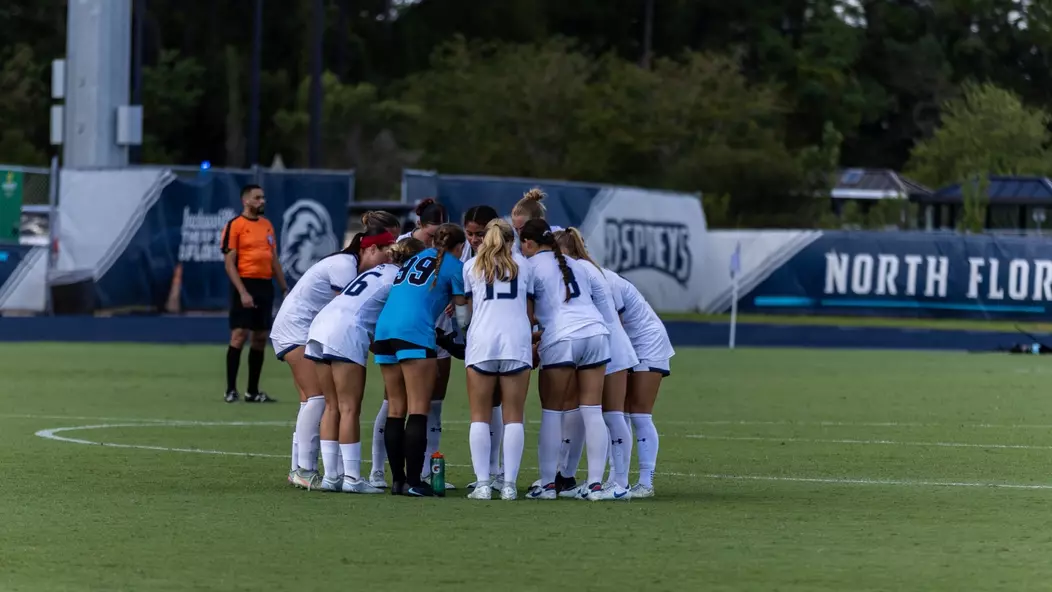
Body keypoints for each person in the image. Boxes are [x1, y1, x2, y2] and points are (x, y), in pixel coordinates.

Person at [291, 234, 423, 493]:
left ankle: (331, 477)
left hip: (320, 325)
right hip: (346, 330)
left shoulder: (375, 270)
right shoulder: (400, 279)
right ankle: (352, 478)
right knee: (349, 408)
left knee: (332, 406)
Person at [518, 219, 613, 501]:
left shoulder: (530, 266)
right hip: (596, 333)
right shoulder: (577, 265)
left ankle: (548, 484)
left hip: (562, 337)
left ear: (529, 243)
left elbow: (528, 314)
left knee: (552, 410)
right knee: (592, 410)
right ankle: (595, 485)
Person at [270, 223, 370, 485]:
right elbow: (346, 309)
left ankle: (299, 470)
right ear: (370, 248)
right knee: (318, 399)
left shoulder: (346, 262)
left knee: (309, 400)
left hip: (296, 329)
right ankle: (304, 470)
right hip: (295, 331)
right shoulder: (345, 265)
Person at [372, 223, 468, 497]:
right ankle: (415, 481)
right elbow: (462, 316)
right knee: (418, 409)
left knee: (395, 409)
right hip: (414, 332)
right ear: (459, 247)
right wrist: (464, 340)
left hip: (384, 330)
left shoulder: (415, 257)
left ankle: (398, 481)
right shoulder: (454, 266)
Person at [554, 228, 638, 500]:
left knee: (613, 415)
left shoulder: (580, 270)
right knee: (604, 414)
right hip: (606, 341)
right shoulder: (590, 268)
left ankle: (620, 482)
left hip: (609, 345)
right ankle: (608, 480)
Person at [461, 219, 534, 501]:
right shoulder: (524, 266)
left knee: (479, 416)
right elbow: (529, 308)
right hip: (516, 342)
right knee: (513, 416)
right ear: (511, 240)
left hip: (482, 343)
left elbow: (468, 311)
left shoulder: (471, 267)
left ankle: (482, 484)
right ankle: (509, 485)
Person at [606, 270, 675, 498]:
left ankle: (646, 482)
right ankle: (616, 479)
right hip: (627, 343)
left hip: (647, 342)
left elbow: (618, 325)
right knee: (617, 412)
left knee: (639, 413)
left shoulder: (605, 279)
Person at [221, 184, 288, 404]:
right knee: (239, 335)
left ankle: (252, 391)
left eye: (263, 197)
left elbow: (273, 258)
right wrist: (242, 291)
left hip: (264, 285)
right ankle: (231, 389)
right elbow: (229, 263)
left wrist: (284, 288)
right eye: (257, 198)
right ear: (246, 201)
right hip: (244, 283)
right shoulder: (235, 225)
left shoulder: (267, 225)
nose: (262, 201)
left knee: (259, 337)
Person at [460, 205, 507, 491]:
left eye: (479, 234)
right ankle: (491, 473)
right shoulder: (466, 258)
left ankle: (494, 471)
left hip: (488, 339)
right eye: (469, 234)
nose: (475, 239)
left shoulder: (506, 258)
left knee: (497, 404)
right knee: (490, 404)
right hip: (484, 338)